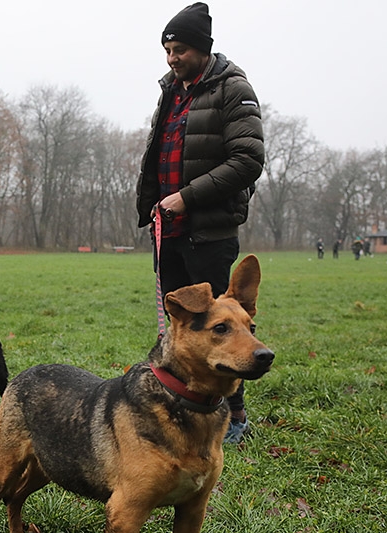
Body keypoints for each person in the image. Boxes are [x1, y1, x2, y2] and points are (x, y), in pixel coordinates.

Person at [136, 2, 264, 443]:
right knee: (181, 329)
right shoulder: (170, 91)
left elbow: (248, 160)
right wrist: (151, 203)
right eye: (168, 49)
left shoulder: (233, 88)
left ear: (204, 49)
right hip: (167, 229)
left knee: (222, 327)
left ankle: (236, 418)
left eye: (181, 49)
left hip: (208, 230)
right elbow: (158, 156)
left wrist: (186, 198)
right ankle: (181, 408)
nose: (173, 57)